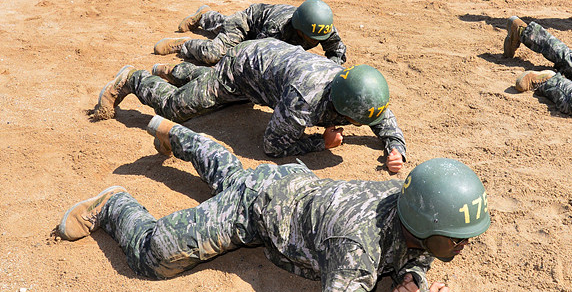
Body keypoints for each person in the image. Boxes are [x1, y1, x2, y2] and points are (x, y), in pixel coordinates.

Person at [56, 120, 491, 292]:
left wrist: (412, 273)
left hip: (291, 187)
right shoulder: (356, 245)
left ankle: (181, 136)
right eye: (456, 238)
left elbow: (414, 248)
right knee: (156, 255)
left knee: (234, 177)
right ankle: (112, 205)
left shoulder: (409, 196)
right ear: (421, 224)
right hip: (260, 209)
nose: (464, 244)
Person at [93, 38, 407, 171]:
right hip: (241, 69)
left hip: (269, 67)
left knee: (224, 100)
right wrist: (320, 144)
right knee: (177, 109)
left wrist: (395, 146)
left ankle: (178, 71)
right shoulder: (305, 99)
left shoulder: (351, 86)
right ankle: (134, 79)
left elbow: (377, 111)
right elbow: (273, 144)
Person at [153, 0, 347, 66]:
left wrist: (330, 68)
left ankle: (205, 16)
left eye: (317, 39)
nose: (314, 42)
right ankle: (184, 45)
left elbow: (337, 52)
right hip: (248, 24)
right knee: (216, 55)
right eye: (309, 39)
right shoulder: (278, 28)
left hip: (259, 27)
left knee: (224, 25)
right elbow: (255, 55)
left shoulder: (322, 26)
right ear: (298, 29)